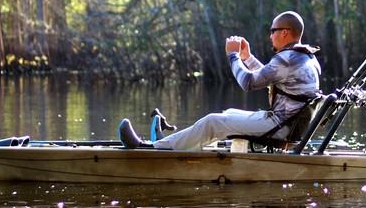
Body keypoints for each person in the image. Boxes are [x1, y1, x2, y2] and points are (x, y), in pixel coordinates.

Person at [117, 11, 321, 151]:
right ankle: (173, 144)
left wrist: (232, 56)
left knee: (213, 121)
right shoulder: (303, 57)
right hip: (285, 124)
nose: (270, 36)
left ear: (284, 32)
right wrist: (247, 58)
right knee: (228, 115)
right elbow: (270, 78)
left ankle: (151, 149)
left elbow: (248, 83)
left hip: (280, 127)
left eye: (272, 31)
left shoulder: (287, 58)